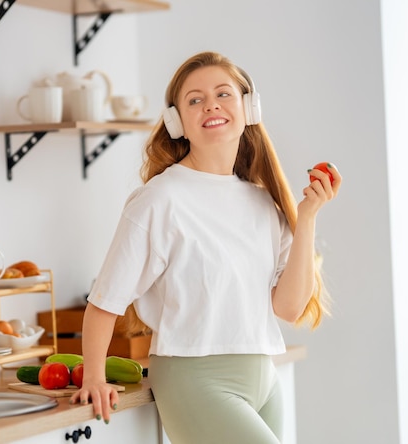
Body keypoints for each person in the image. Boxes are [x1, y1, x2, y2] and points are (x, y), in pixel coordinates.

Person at [69, 51, 342, 443]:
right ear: (177, 121)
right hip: (195, 379)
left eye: (223, 93)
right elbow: (104, 302)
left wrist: (309, 216)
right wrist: (93, 377)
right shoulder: (159, 199)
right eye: (194, 99)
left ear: (249, 107)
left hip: (264, 376)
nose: (210, 104)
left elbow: (288, 307)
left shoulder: (265, 202)